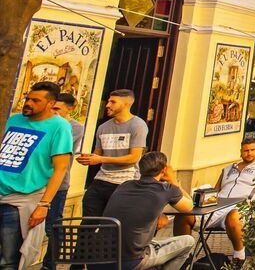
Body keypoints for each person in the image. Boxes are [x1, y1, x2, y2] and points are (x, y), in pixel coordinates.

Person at [0, 82, 73, 270]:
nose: (28, 103)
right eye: (27, 98)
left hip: (20, 201)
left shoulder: (60, 127)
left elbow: (60, 169)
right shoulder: (14, 120)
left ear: (50, 104)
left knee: (9, 259)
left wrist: (43, 205)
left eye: (35, 100)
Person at [174, 138, 255, 265]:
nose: (249, 153)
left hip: (241, 208)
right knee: (183, 217)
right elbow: (215, 191)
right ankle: (183, 258)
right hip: (218, 207)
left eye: (252, 150)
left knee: (234, 216)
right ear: (240, 152)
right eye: (246, 150)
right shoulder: (227, 169)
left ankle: (239, 257)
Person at [103, 151, 194, 270]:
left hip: (98, 258)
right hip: (131, 261)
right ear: (164, 169)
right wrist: (174, 181)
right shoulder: (167, 190)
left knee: (153, 243)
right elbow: (189, 207)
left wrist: (159, 214)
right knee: (188, 241)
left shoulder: (124, 185)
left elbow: (135, 207)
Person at [77, 89, 149, 217]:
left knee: (114, 222)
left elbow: (133, 158)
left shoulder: (138, 125)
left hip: (125, 181)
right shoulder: (103, 127)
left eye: (113, 102)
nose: (107, 105)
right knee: (89, 219)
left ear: (126, 104)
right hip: (101, 178)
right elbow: (98, 154)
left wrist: (100, 159)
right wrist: (88, 158)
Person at [41, 93, 85, 270]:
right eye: (52, 108)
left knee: (53, 225)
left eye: (57, 108)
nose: (54, 112)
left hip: (58, 183)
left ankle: (50, 264)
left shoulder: (73, 127)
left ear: (70, 108)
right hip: (36, 183)